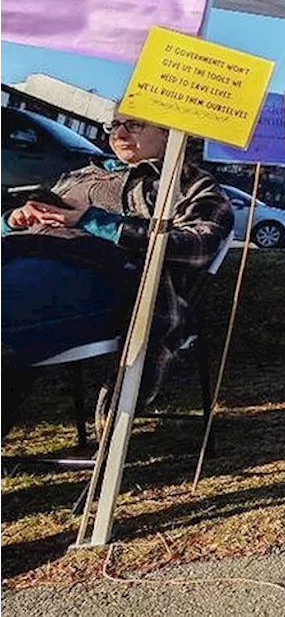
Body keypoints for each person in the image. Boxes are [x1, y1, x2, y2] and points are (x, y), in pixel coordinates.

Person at [0, 114, 233, 437]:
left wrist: (91, 221)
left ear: (169, 133)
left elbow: (199, 244)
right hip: (20, 255)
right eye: (114, 125)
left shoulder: (188, 182)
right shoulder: (80, 174)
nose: (119, 133)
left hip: (94, 274)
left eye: (134, 125)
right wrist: (13, 220)